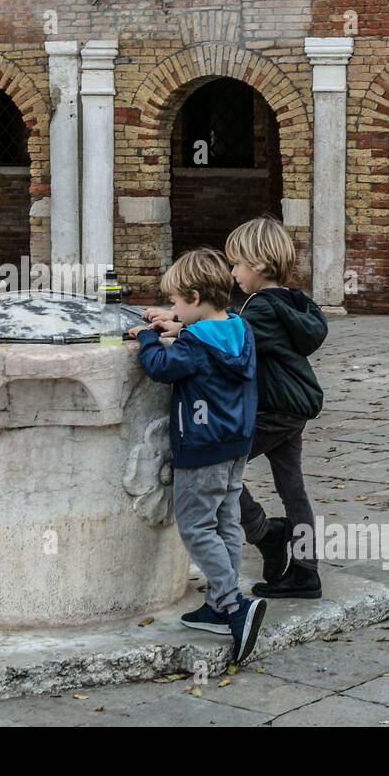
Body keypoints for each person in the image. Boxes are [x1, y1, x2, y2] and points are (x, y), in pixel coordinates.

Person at [146, 217, 328, 600]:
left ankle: (265, 533)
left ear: (258, 264)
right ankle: (305, 571)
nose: (232, 273)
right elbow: (229, 326)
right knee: (292, 487)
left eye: (237, 264)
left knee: (220, 464)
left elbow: (228, 334)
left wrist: (178, 327)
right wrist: (181, 321)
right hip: (295, 409)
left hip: (272, 409)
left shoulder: (260, 308)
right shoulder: (295, 302)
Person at [128, 248, 268, 664]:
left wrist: (149, 336)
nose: (171, 308)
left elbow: (160, 366)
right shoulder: (238, 328)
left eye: (174, 301)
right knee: (225, 519)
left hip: (202, 447)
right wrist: (177, 325)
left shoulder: (192, 344)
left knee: (195, 525)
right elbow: (203, 341)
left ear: (192, 295)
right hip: (236, 444)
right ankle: (221, 604)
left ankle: (233, 607)